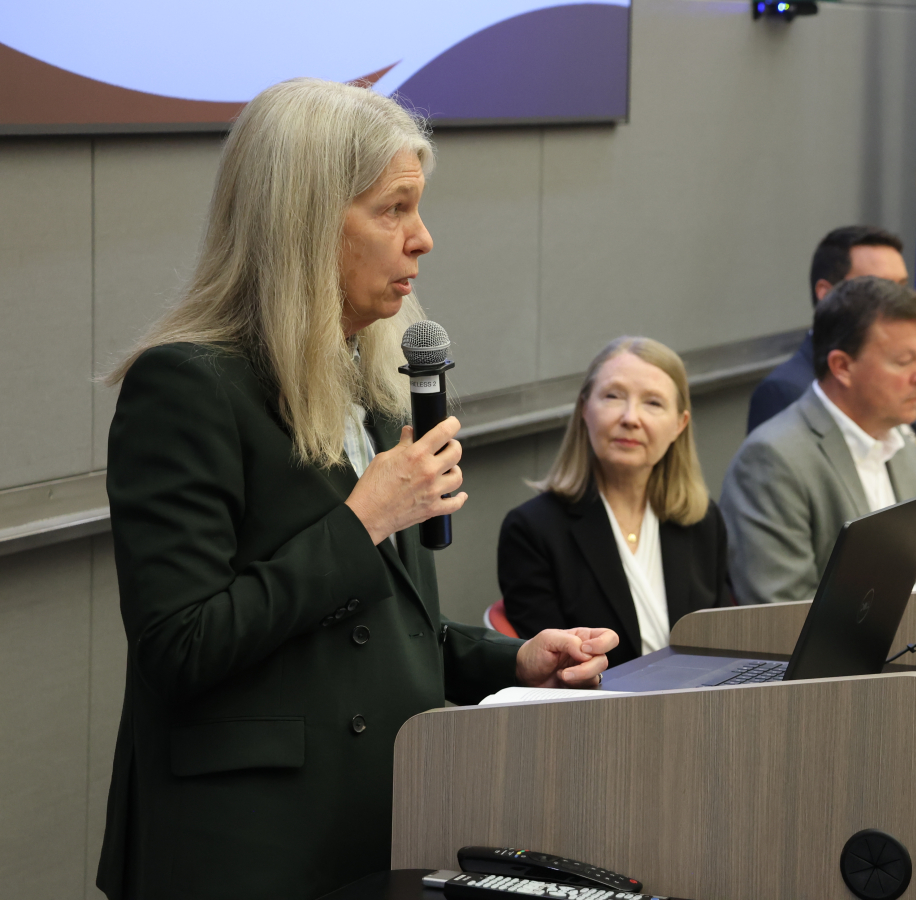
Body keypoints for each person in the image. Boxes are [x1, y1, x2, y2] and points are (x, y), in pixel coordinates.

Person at [96, 80, 619, 900]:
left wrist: (514, 659)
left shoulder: (368, 384)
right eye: (394, 209)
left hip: (378, 826)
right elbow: (180, 647)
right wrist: (365, 517)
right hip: (243, 851)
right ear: (304, 222)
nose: (423, 240)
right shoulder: (187, 387)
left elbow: (386, 635)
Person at [720, 276, 916, 606]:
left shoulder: (905, 445)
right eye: (904, 361)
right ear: (842, 367)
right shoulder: (772, 460)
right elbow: (782, 616)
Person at [499, 337, 731, 666]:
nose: (630, 417)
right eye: (613, 396)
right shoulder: (532, 531)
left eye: (653, 403)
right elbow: (556, 674)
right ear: (584, 409)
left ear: (679, 425)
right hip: (598, 712)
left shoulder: (702, 520)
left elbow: (722, 646)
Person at [747, 225, 909, 433]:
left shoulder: (906, 377)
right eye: (880, 288)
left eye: (902, 288)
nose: (900, 303)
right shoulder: (784, 391)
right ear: (828, 294)